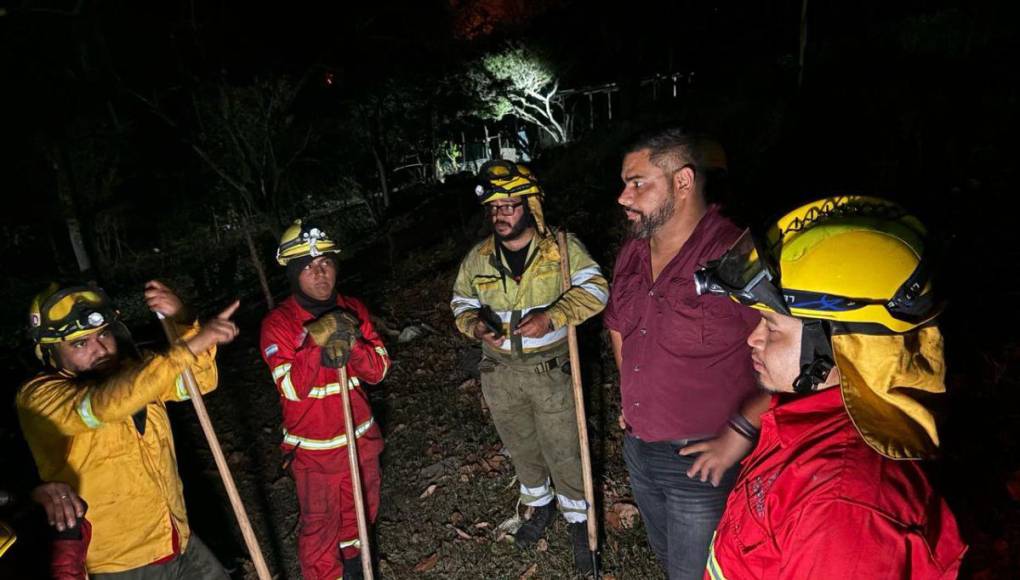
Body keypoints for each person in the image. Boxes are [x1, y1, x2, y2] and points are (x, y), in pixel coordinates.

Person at [695, 195, 967, 579]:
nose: (753, 340)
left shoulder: (846, 506)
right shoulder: (807, 422)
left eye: (771, 327)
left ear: (836, 343)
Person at [603, 128, 770, 580]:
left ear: (682, 182)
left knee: (699, 574)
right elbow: (619, 324)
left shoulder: (735, 254)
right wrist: (633, 394)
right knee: (668, 558)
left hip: (703, 460)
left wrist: (740, 430)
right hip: (641, 449)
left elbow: (799, 360)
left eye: (638, 182)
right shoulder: (632, 253)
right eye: (624, 183)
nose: (623, 196)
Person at [17, 281, 238, 578]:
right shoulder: (40, 399)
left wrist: (182, 320)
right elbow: (106, 404)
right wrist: (186, 349)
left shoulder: (140, 371)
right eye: (80, 344)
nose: (100, 348)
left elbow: (199, 382)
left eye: (103, 334)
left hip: (175, 536)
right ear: (50, 352)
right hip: (121, 563)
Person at [450, 160, 608, 573]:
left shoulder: (561, 250)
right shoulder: (479, 258)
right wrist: (474, 324)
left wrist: (554, 315)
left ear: (531, 205)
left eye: (511, 205)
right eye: (495, 207)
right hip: (499, 374)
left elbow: (597, 290)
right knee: (521, 446)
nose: (501, 214)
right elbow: (461, 301)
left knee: (565, 448)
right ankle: (538, 506)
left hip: (550, 371)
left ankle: (578, 521)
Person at [260, 220, 391, 580]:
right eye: (308, 268)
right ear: (293, 272)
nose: (320, 275)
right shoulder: (279, 324)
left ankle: (357, 572)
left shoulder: (353, 309)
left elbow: (378, 371)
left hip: (360, 442)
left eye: (326, 264)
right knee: (320, 535)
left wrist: (354, 347)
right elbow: (291, 388)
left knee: (361, 521)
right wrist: (315, 345)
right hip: (316, 456)